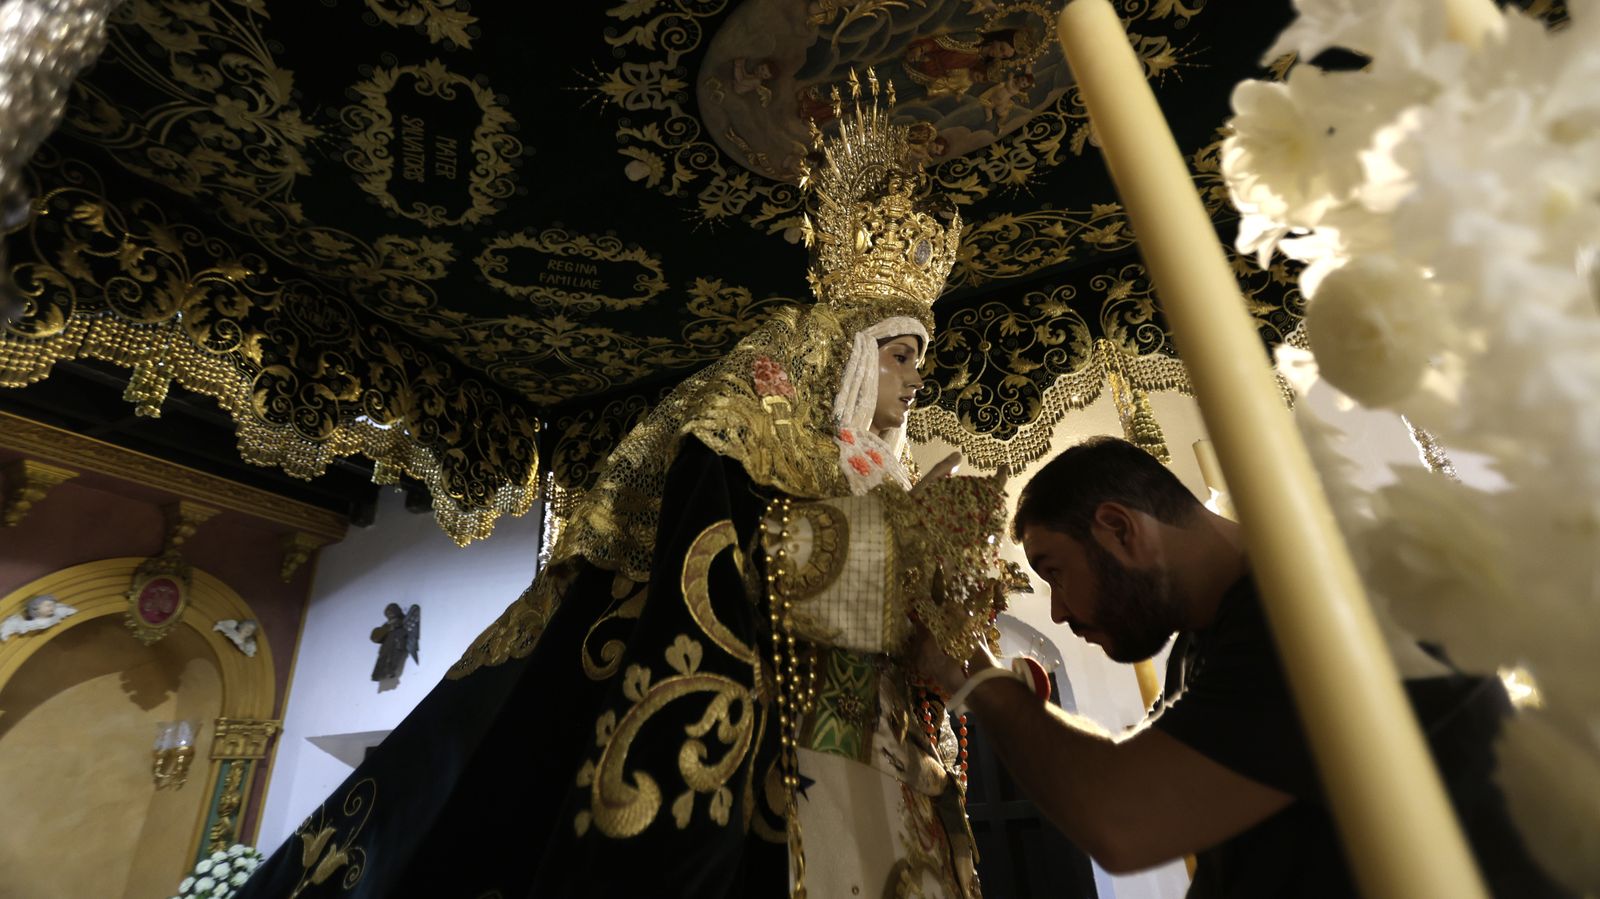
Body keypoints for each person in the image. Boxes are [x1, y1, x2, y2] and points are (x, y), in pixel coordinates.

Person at [235, 73, 1007, 899]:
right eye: (900, 354)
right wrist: (906, 549)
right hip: (776, 762)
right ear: (847, 354)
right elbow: (735, 553)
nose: (916, 379)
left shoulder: (882, 483)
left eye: (922, 358)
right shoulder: (753, 417)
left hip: (870, 762)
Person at [915, 435, 1568, 898]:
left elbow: (1126, 818)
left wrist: (974, 674)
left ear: (1120, 528)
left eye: (1054, 572)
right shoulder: (1210, 641)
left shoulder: (1315, 606)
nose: (1057, 613)